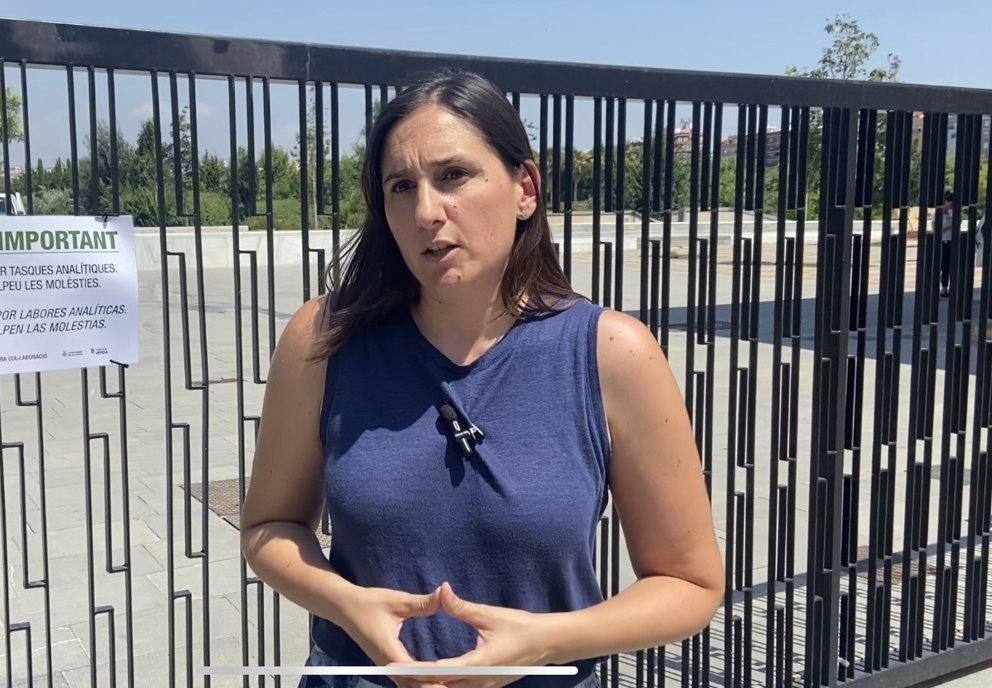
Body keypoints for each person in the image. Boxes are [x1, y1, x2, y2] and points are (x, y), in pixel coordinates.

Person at [239, 68, 724, 688]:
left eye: (453, 176)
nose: (426, 211)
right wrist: (346, 604)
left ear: (526, 189)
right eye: (401, 186)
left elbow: (689, 582)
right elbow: (268, 527)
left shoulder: (612, 353)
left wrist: (548, 640)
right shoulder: (325, 339)